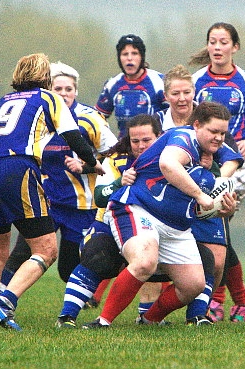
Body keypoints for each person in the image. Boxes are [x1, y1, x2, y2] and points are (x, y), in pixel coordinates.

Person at [0, 53, 104, 331]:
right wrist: (93, 164)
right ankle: (5, 301)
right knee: (45, 250)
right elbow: (73, 137)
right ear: (45, 77)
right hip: (18, 168)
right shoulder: (48, 98)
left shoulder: (2, 102)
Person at [82, 101, 241, 328]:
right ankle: (103, 321)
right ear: (196, 125)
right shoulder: (184, 137)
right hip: (138, 208)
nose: (219, 137)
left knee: (193, 285)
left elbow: (202, 205)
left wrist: (223, 208)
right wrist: (200, 195)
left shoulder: (211, 158)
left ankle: (149, 319)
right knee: (144, 261)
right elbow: (168, 164)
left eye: (223, 133)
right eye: (214, 131)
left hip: (176, 225)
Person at [0, 61, 118, 291]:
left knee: (69, 269)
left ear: (76, 91)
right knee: (22, 253)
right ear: (49, 92)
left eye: (68, 89)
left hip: (81, 206)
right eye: (57, 89)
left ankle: (89, 292)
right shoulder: (37, 118)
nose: (63, 94)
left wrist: (87, 166)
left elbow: (115, 154)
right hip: (45, 202)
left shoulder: (89, 118)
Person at [189, 22, 245, 322]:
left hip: (237, 167)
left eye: (223, 42)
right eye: (212, 41)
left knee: (217, 222)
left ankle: (218, 300)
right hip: (202, 163)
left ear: (234, 47)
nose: (217, 47)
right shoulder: (197, 80)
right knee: (217, 227)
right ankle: (239, 302)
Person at [55, 114, 166, 328]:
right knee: (98, 255)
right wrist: (119, 183)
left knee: (202, 261)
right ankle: (66, 317)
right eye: (135, 141)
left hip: (156, 227)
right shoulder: (116, 159)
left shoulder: (171, 158)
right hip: (109, 224)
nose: (141, 146)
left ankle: (188, 318)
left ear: (159, 137)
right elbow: (99, 197)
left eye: (147, 140)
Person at [155, 64, 239, 325]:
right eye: (176, 93)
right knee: (157, 262)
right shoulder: (157, 122)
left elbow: (232, 154)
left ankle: (198, 315)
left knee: (214, 262)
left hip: (205, 199)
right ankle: (149, 314)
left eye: (187, 92)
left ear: (194, 92)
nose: (182, 98)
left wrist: (218, 182)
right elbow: (139, 151)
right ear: (166, 95)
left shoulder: (208, 118)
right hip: (168, 200)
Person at [95, 34, 167, 137]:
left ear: (142, 57)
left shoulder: (160, 82)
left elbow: (176, 114)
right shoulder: (112, 84)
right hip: (124, 148)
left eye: (134, 53)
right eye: (125, 54)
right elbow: (97, 117)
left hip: (155, 147)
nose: (129, 58)